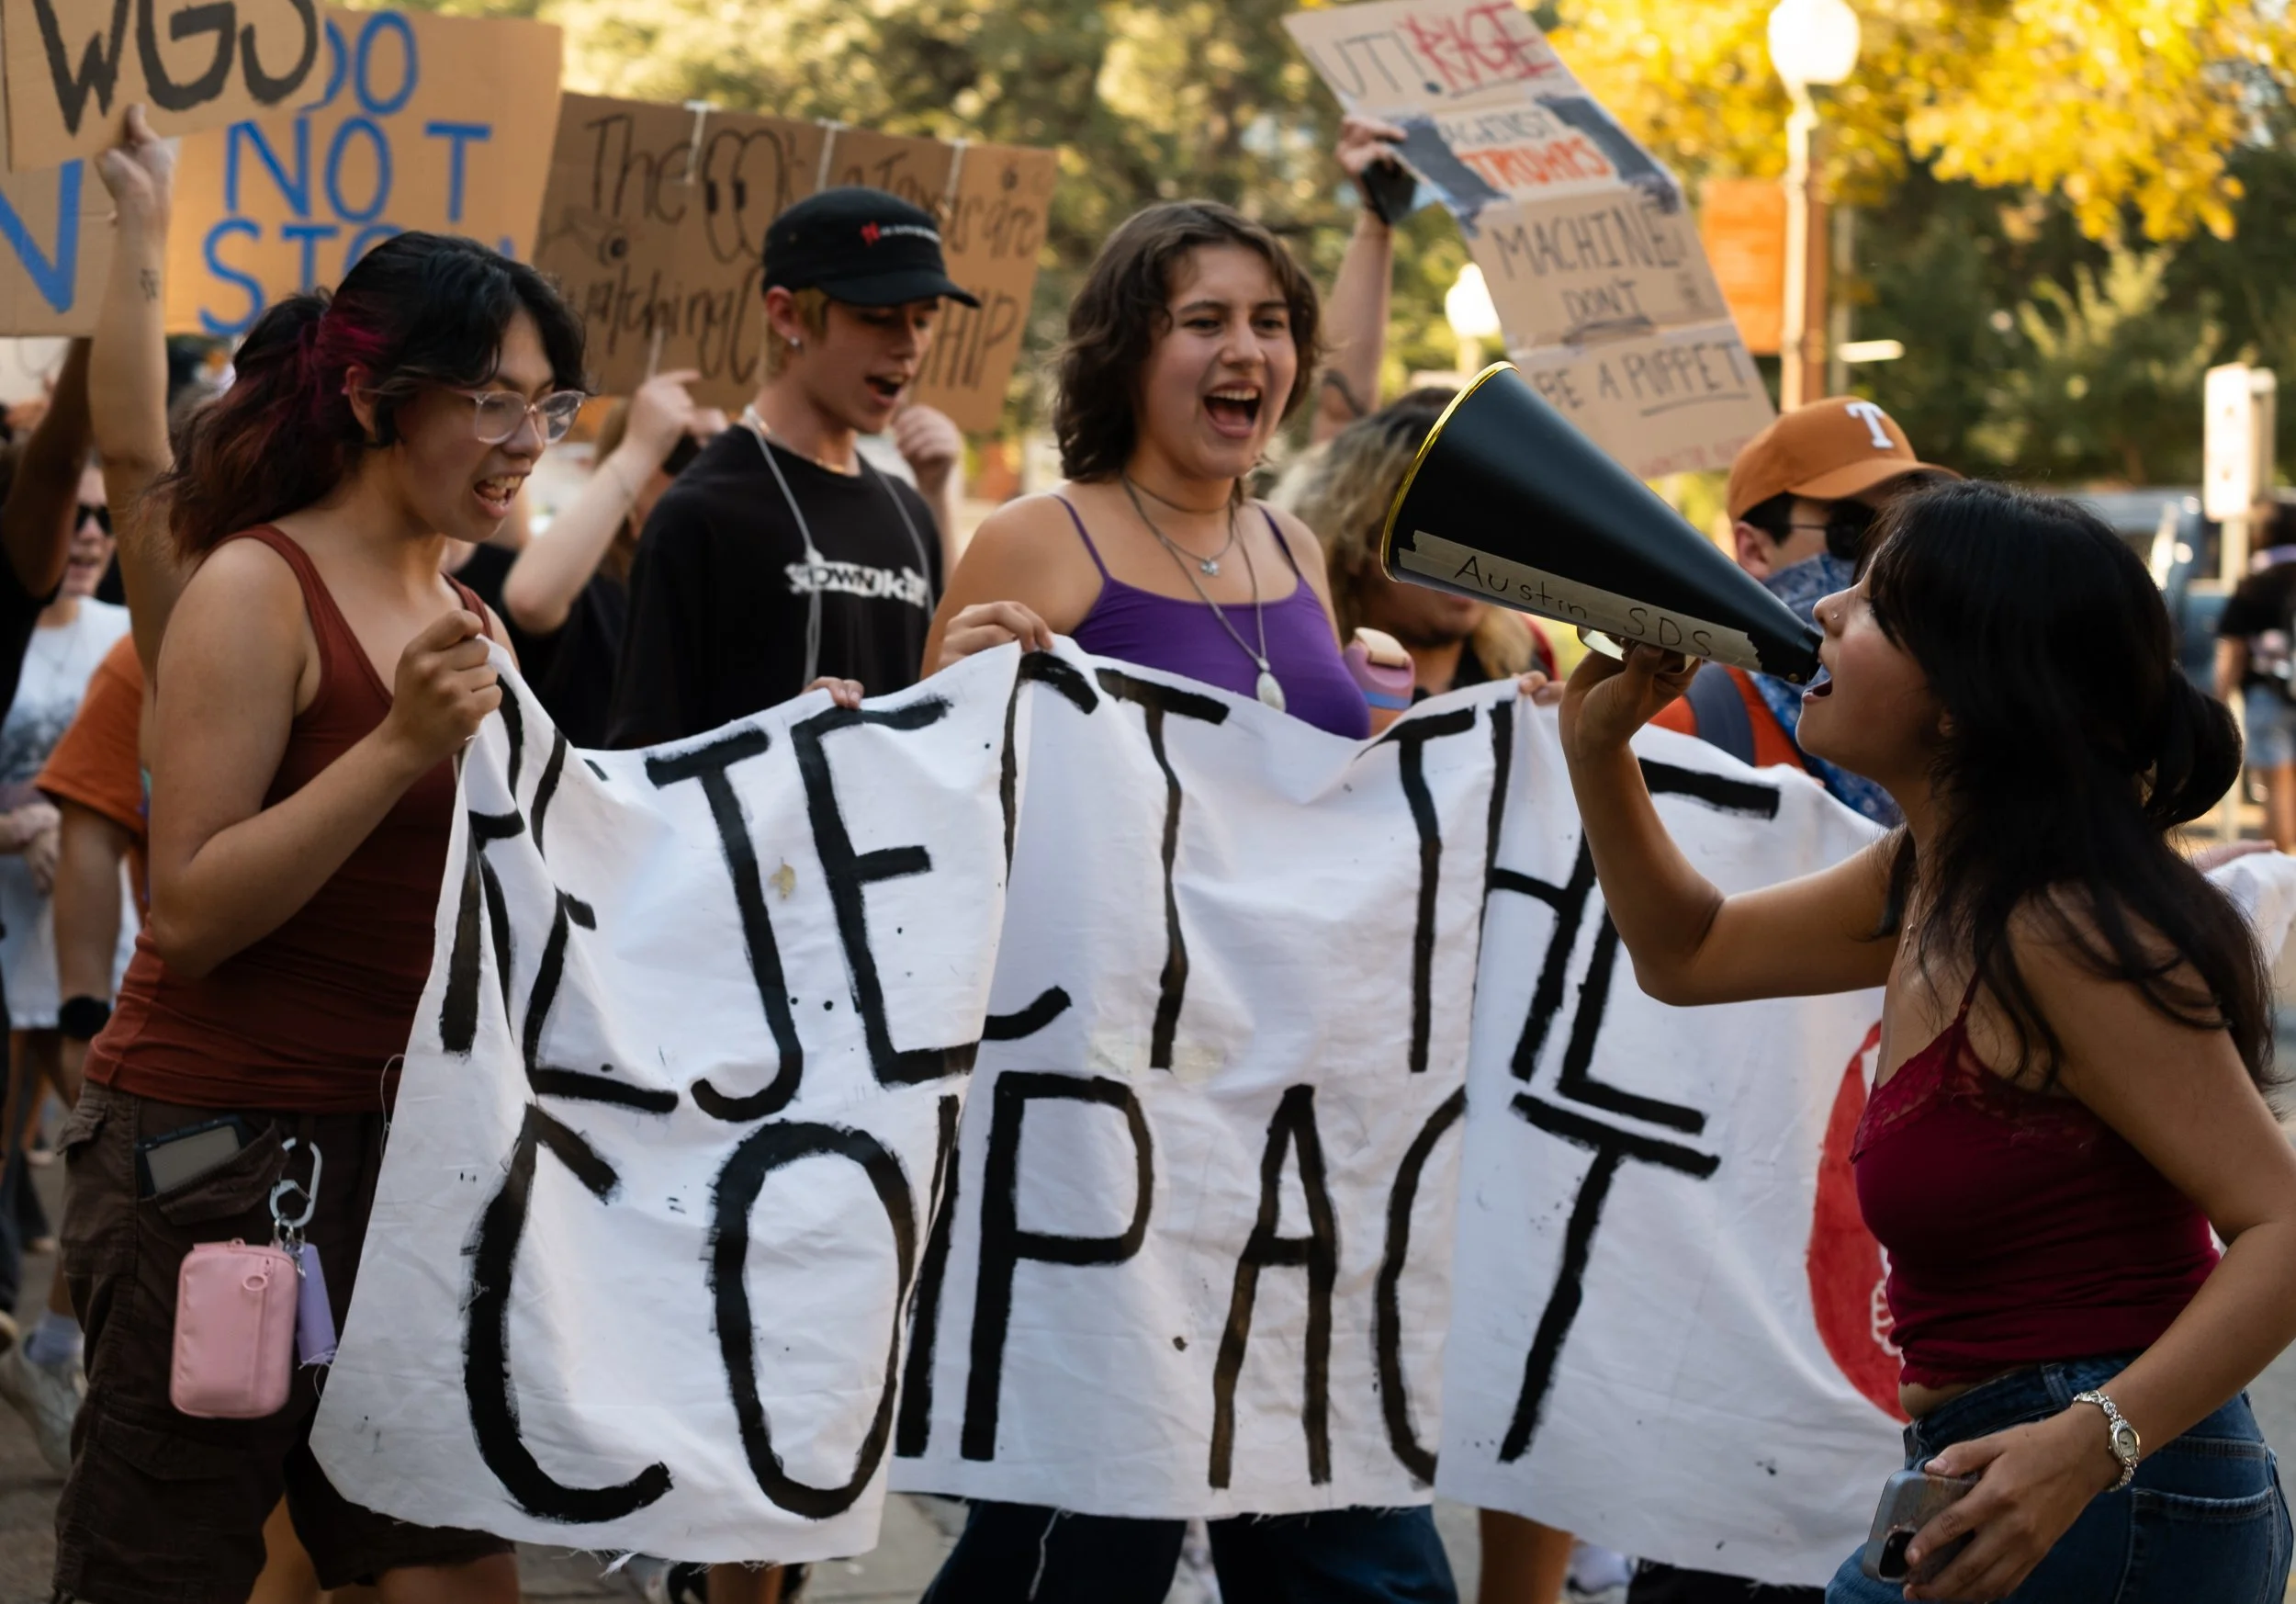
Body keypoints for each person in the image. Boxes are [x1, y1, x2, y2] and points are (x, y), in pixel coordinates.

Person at [1559, 480, 2296, 1604]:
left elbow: (2281, 1227)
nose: (1824, 615)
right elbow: (1691, 953)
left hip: (2107, 1492)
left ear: (1960, 697)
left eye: (1875, 606)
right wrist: (1595, 749)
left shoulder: (2051, 923)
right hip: (2023, 1472)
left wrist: (2090, 1444)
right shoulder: (1933, 879)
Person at [921, 199, 1465, 1603]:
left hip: (1295, 1141)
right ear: (1125, 351)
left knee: (1348, 1533)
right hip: (1109, 1151)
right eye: (1206, 321)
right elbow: (933, 816)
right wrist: (965, 693)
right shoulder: (1045, 540)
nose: (1251, 351)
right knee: (1080, 1538)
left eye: (1272, 323)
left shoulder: (1293, 549)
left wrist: (1452, 758)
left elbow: (1312, 817)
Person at [49, 229, 590, 1604]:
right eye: (493, 400)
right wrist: (398, 741)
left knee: (452, 1564)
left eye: (549, 405)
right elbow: (192, 913)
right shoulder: (252, 586)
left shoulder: (470, 612)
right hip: (215, 1161)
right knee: (165, 1568)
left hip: (405, 1169)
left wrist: (823, 751)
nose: (527, 438)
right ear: (372, 400)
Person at [605, 186, 971, 749]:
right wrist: (775, 745)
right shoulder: (701, 511)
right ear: (786, 314)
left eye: (923, 321)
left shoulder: (909, 509)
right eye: (877, 317)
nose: (908, 346)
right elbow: (643, 756)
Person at [1649, 397, 1953, 828]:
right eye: (1855, 531)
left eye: (1904, 530)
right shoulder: (1684, 727)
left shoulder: (1954, 723)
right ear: (1754, 549)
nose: (1884, 557)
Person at [499, 370, 722, 745]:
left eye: (717, 450)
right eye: (679, 451)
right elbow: (529, 600)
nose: (703, 470)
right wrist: (641, 448)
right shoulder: (594, 590)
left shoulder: (729, 592)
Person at [2214, 505, 2296, 851]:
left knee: (2276, 786)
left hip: (2268, 693)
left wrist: (2219, 698)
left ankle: (2285, 876)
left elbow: (2234, 647)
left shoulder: (2257, 580)